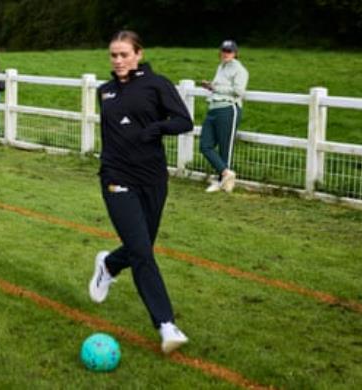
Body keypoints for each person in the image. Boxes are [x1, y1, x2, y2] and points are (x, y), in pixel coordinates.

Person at [88, 30, 192, 354]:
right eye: (113, 55)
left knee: (141, 246)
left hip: (153, 179)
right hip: (116, 177)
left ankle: (109, 265)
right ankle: (165, 323)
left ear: (138, 54)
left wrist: (156, 128)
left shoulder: (157, 84)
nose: (118, 61)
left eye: (124, 54)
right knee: (143, 254)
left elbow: (183, 122)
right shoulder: (104, 92)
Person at [199, 40, 249, 193]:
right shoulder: (221, 67)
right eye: (224, 51)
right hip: (213, 108)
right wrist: (210, 86)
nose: (226, 54)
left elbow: (239, 91)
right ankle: (226, 174)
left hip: (228, 109)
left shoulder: (240, 70)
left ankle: (223, 182)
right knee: (205, 145)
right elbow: (218, 87)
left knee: (225, 148)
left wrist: (216, 87)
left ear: (235, 53)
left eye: (229, 51)